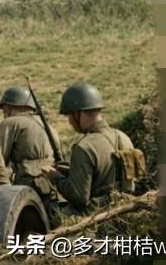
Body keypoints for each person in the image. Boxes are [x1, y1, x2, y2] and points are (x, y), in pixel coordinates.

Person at [41, 83, 138, 212]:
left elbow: (78, 197)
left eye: (69, 115)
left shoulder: (84, 147)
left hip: (97, 215)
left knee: (48, 211)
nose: (69, 121)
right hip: (125, 207)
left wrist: (55, 177)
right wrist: (71, 171)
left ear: (77, 113)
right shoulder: (124, 137)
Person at [0, 87, 61, 203]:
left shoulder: (11, 123)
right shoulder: (47, 126)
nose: (4, 114)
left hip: (28, 186)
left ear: (9, 107)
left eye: (4, 110)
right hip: (53, 186)